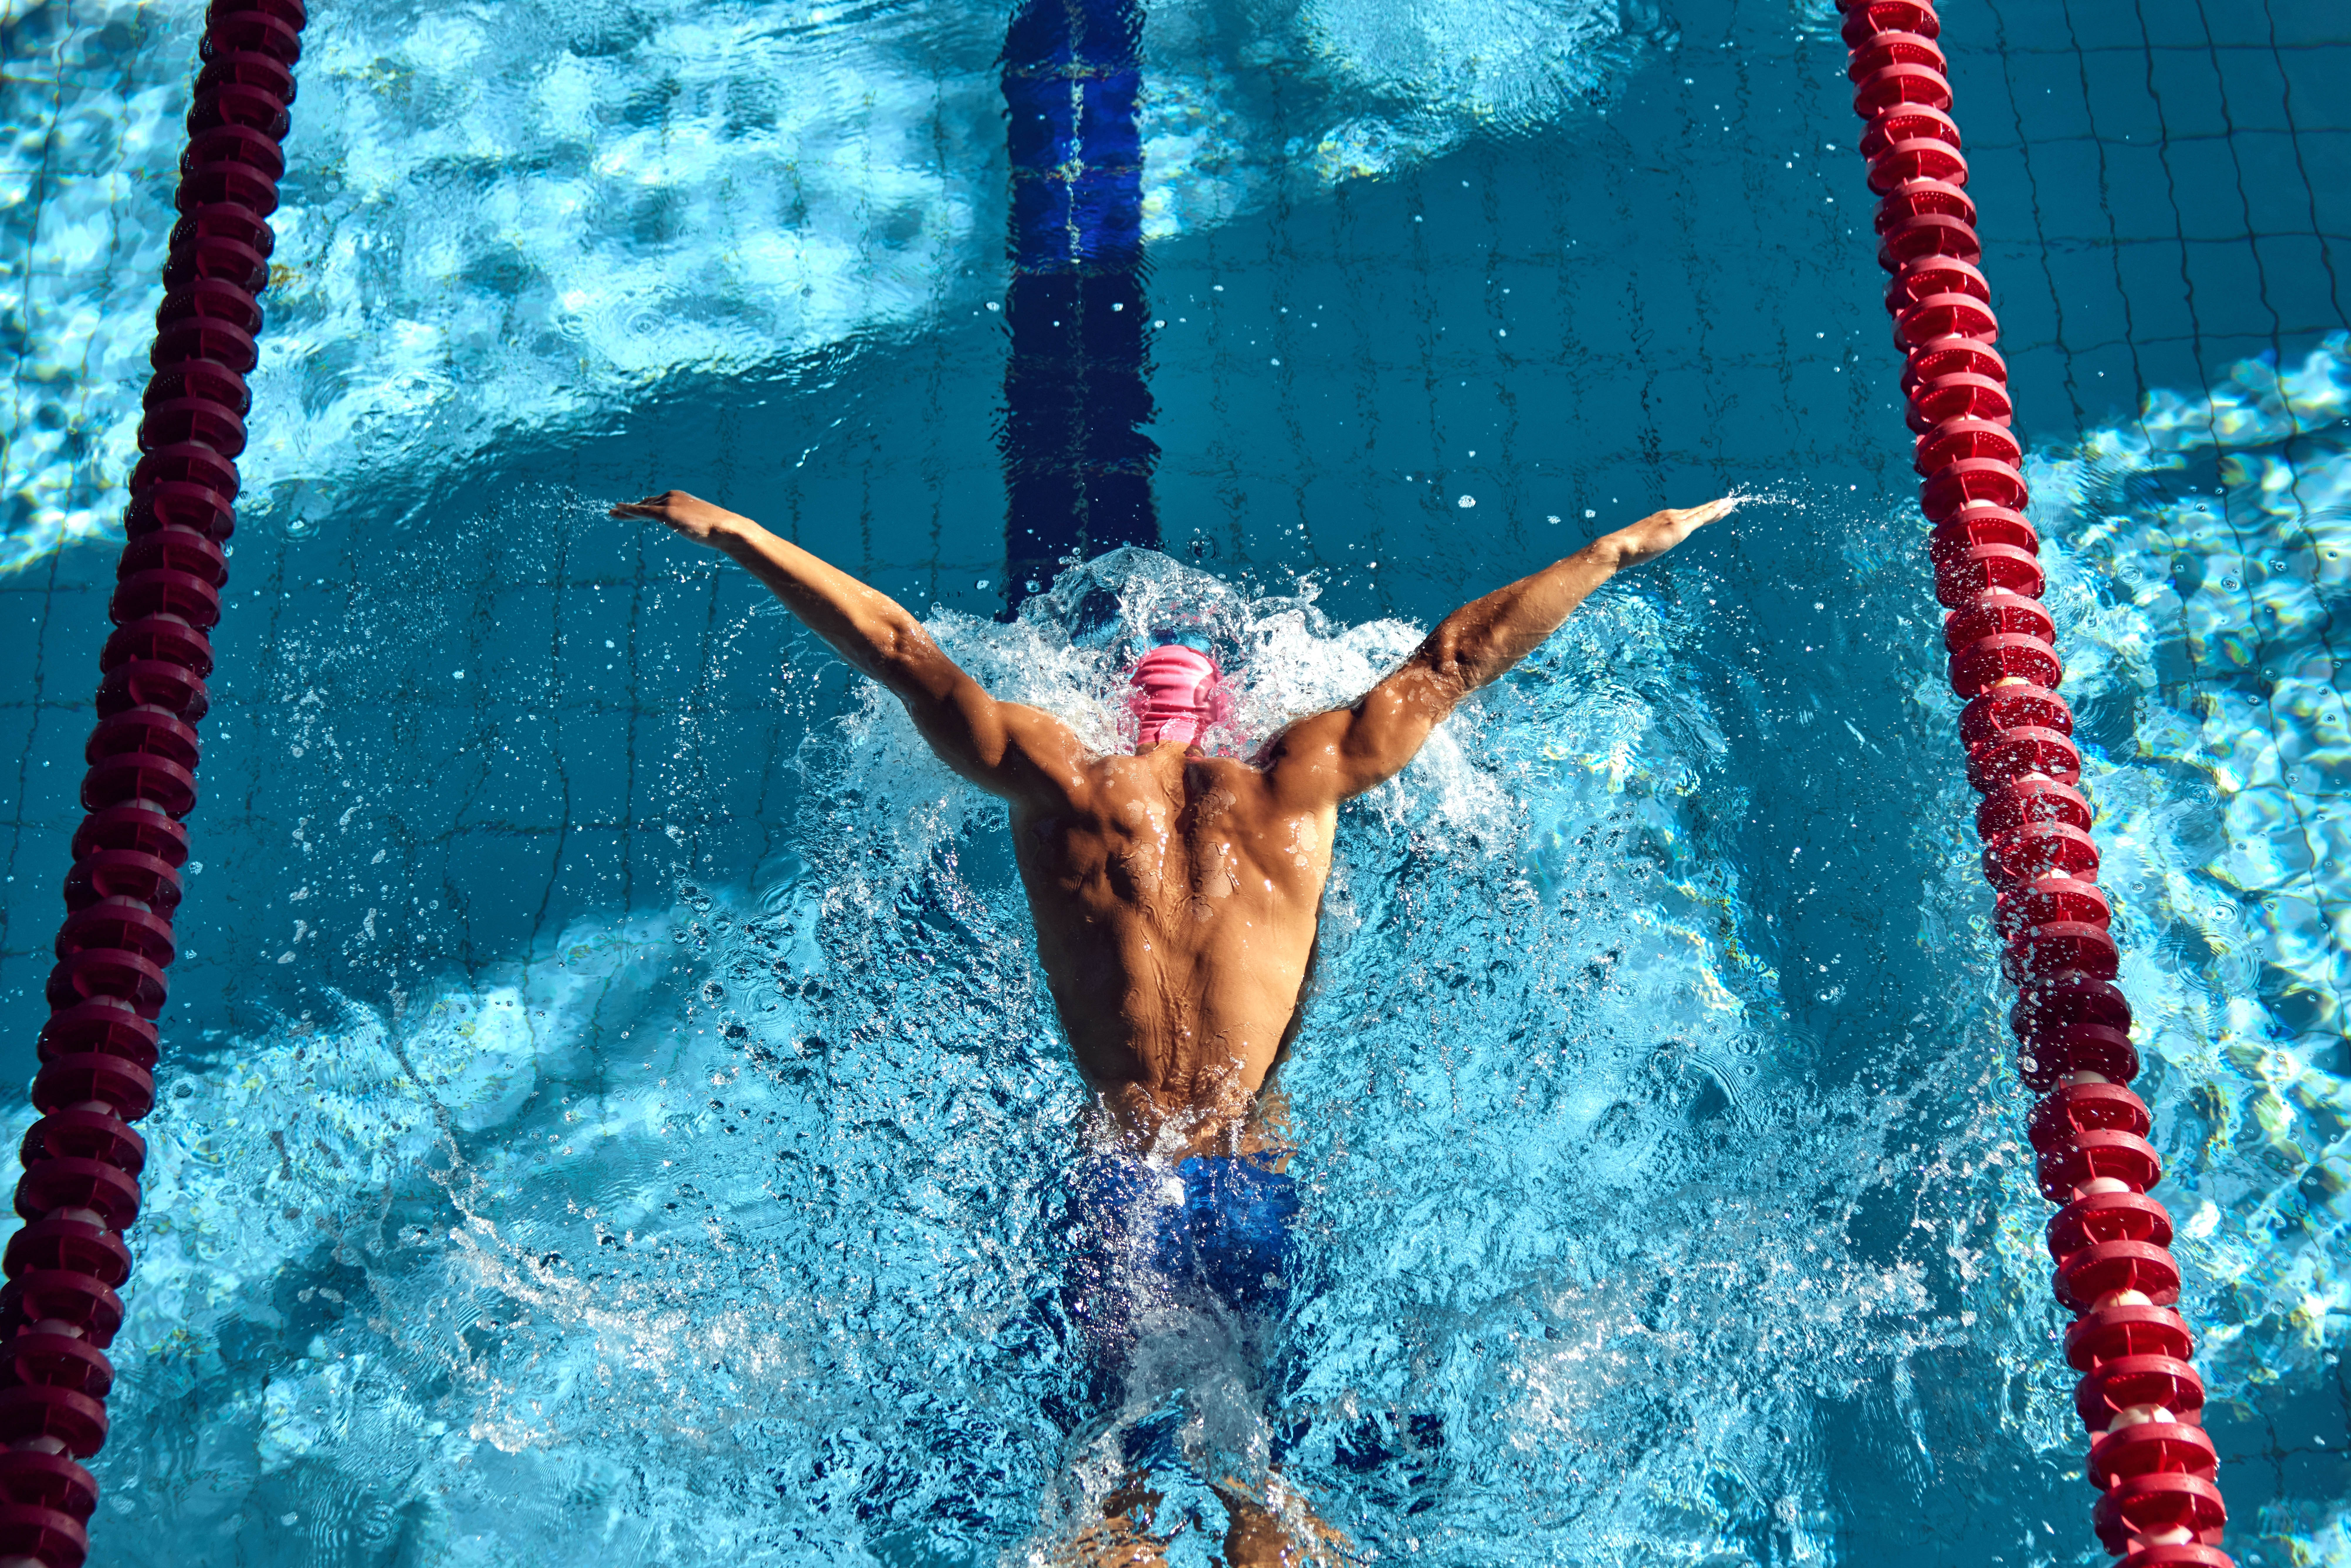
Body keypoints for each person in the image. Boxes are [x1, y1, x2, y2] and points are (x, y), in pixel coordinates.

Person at [609, 488, 1737, 1566]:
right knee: (1264, 1484)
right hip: (1257, 1182)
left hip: (1123, 1189)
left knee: (1112, 1492)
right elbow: (1453, 656)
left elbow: (902, 651)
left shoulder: (1066, 784)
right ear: (1224, 722)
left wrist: (738, 532)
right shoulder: (1295, 783)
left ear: (1127, 719)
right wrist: (1618, 551)